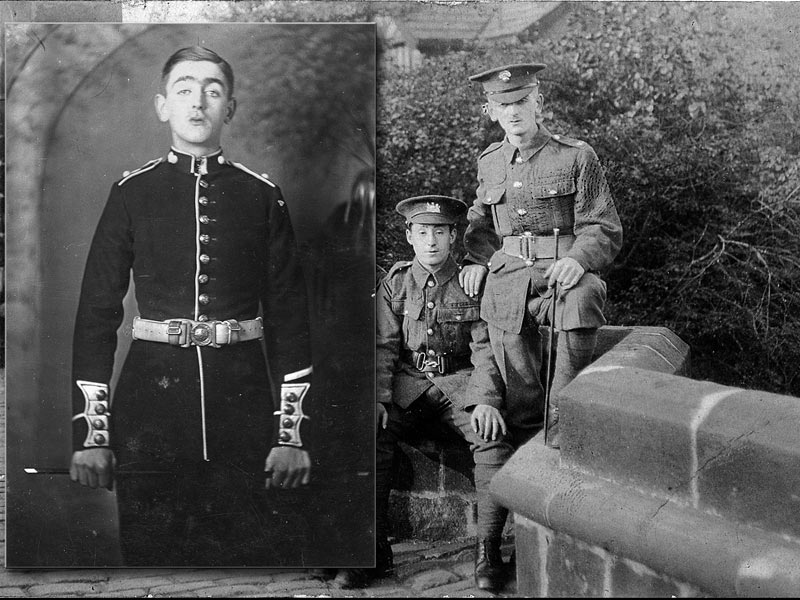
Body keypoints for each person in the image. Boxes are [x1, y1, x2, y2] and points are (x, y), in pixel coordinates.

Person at [68, 46, 315, 566]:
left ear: (231, 108)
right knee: (151, 562)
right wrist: (92, 435)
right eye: (183, 89)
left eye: (212, 89)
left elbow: (291, 319)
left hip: (244, 413)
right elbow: (96, 315)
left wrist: (291, 435)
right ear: (163, 106)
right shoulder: (132, 193)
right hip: (149, 413)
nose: (197, 102)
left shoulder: (262, 196)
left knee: (245, 565)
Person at [336, 195, 516, 592]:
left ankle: (487, 550)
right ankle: (371, 550)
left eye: (440, 232)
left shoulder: (473, 281)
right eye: (422, 232)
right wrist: (379, 398)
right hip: (409, 385)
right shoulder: (396, 283)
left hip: (460, 384)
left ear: (454, 237)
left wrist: (486, 399)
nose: (431, 241)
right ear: (409, 237)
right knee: (368, 434)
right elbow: (383, 345)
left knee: (492, 440)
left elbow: (487, 349)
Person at [459, 63, 623, 449]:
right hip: (511, 276)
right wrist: (476, 264)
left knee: (583, 295)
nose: (513, 112)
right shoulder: (490, 161)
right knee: (511, 359)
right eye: (503, 105)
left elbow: (603, 225)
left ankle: (563, 419)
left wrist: (578, 260)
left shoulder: (575, 156)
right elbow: (479, 226)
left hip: (560, 275)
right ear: (491, 111)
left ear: (539, 103)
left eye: (521, 101)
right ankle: (528, 431)